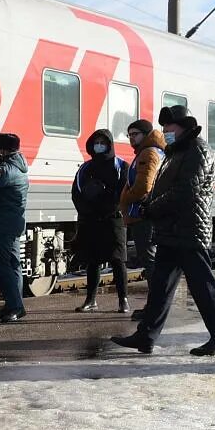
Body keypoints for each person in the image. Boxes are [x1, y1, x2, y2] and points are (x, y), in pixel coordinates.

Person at [113, 107, 215, 356]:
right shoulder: (176, 152)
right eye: (164, 128)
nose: (165, 132)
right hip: (171, 230)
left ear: (185, 127)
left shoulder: (197, 150)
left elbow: (186, 191)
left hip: (189, 229)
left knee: (203, 286)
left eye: (170, 128)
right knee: (160, 287)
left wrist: (151, 208)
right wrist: (152, 205)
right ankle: (145, 337)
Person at [121, 118, 177, 323]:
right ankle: (155, 306)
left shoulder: (149, 153)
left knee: (151, 262)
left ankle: (155, 308)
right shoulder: (153, 151)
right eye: (129, 135)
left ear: (145, 135)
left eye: (135, 134)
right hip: (147, 214)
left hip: (144, 216)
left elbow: (144, 186)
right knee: (152, 261)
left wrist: (123, 199)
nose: (131, 138)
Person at [71, 128, 129, 312]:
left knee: (118, 260)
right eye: (96, 142)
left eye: (103, 142)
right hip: (91, 220)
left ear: (110, 144)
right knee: (93, 261)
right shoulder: (85, 168)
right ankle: (91, 299)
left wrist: (107, 205)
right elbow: (76, 193)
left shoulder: (121, 166)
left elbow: (123, 193)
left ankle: (123, 300)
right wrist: (87, 210)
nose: (99, 146)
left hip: (113, 219)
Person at [0, 133, 30, 323]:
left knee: (2, 264)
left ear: (2, 150)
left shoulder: (7, 170)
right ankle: (14, 304)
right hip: (12, 223)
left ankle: (15, 306)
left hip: (4, 224)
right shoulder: (18, 166)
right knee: (13, 264)